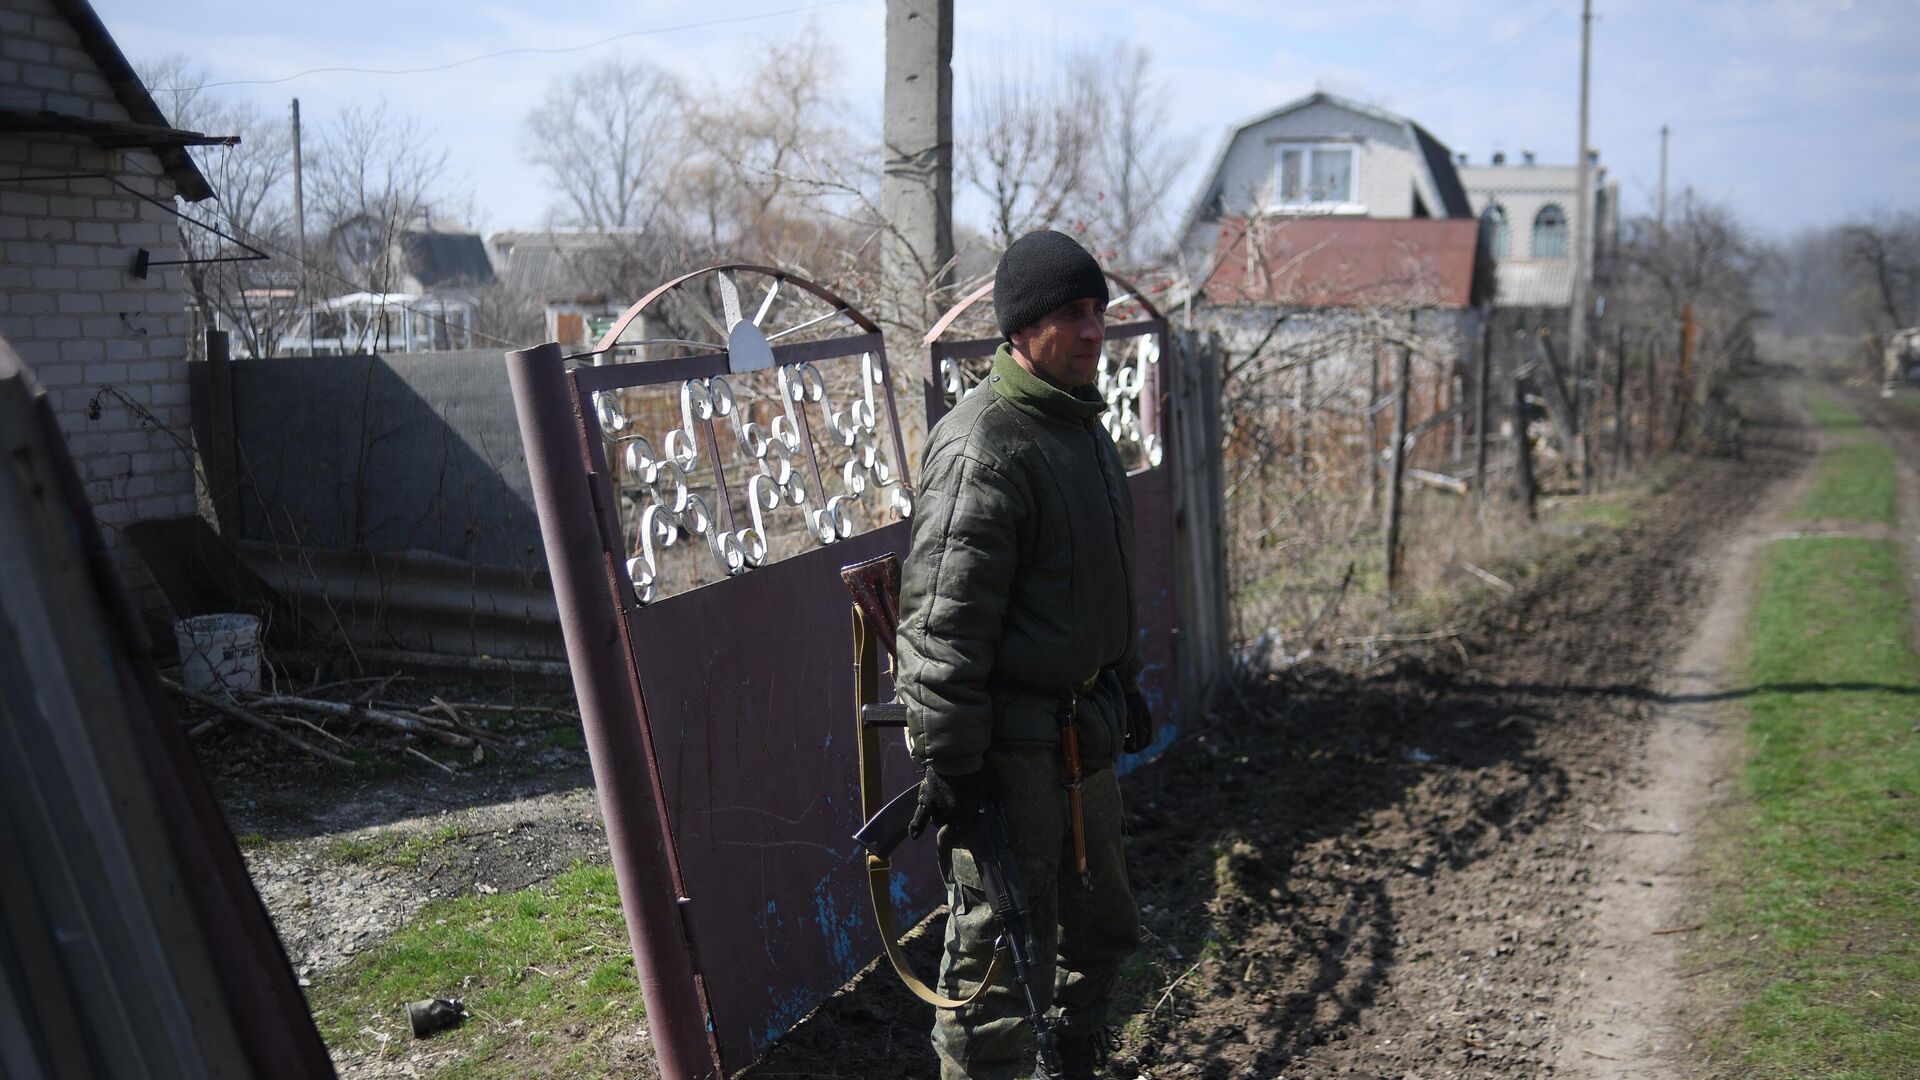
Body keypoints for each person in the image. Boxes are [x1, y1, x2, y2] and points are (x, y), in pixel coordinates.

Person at [895, 229, 1154, 1080]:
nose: (1092, 332)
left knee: (1102, 930)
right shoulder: (983, 446)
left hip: (1087, 739)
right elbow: (941, 629)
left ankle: (1076, 1065)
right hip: (1010, 755)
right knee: (999, 967)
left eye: (1099, 313)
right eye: (1071, 314)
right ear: (1021, 327)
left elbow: (1098, 584)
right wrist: (955, 767)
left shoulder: (1081, 430)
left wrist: (1126, 681)